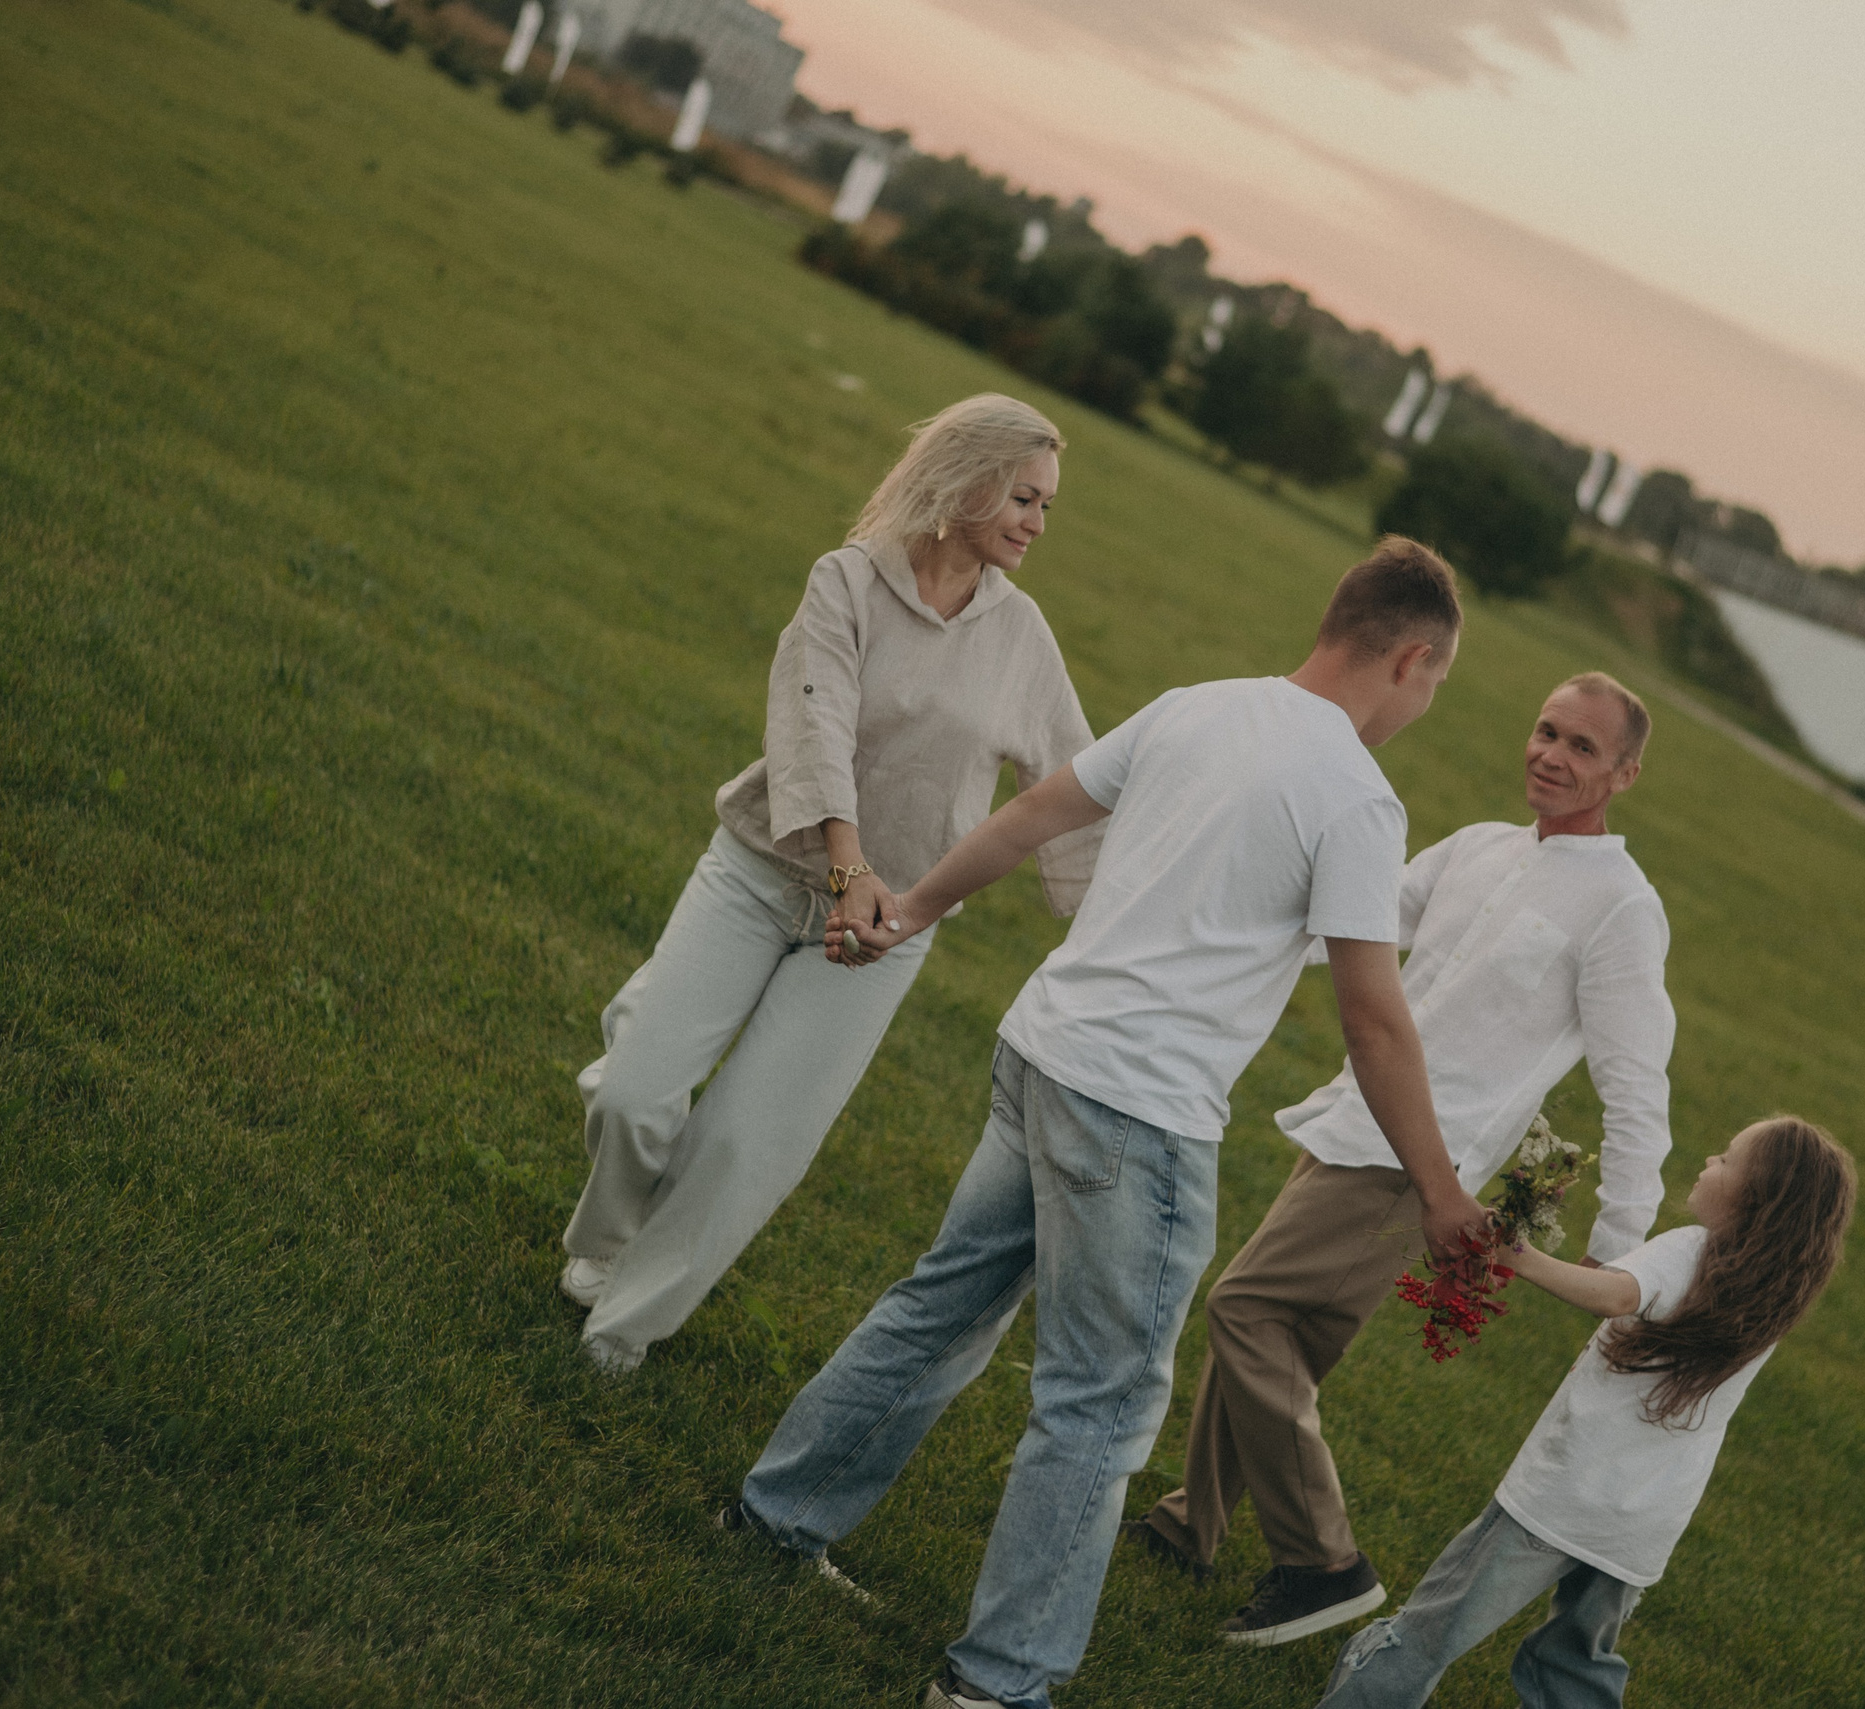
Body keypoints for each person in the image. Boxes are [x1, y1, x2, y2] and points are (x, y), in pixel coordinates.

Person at [721, 539, 1479, 1709]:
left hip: (1042, 1053)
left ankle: (771, 1516)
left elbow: (1033, 813)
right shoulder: (1359, 799)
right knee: (1101, 1403)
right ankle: (998, 1680)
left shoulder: (1196, 706)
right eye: (1434, 686)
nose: (1425, 706)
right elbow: (1374, 1020)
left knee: (939, 1304)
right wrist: (1438, 1190)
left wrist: (914, 907)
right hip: (1137, 1115)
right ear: (1413, 660)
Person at [558, 394, 1105, 1373]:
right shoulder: (847, 581)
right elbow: (815, 726)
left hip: (882, 933)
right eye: (1022, 496)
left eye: (1045, 507)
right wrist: (847, 866)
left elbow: (1073, 784)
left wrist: (1133, 911)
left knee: (743, 1145)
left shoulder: (1022, 638)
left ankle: (620, 1330)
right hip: (759, 873)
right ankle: (603, 1236)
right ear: (967, 480)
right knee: (637, 1096)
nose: (1034, 521)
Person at [1132, 673, 1677, 1646]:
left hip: (1423, 1164)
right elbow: (1352, 923)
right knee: (1281, 1339)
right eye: (1546, 729)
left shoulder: (1622, 909)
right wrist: (1208, 922)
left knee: (1246, 1308)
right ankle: (1191, 1523)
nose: (1550, 754)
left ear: (1624, 773)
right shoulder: (1479, 845)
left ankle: (1322, 1562)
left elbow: (1638, 1084)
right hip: (1354, 1118)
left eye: (1581, 747)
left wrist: (1617, 1244)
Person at [1311, 1116, 1858, 1708]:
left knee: (1432, 1627)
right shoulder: (1767, 1296)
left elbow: (1619, 1294)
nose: (1709, 1162)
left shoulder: (1691, 1250)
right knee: (1575, 1664)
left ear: (1755, 1199)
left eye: (1726, 1159)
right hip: (1638, 1527)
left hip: (1559, 1500)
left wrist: (1516, 1256)